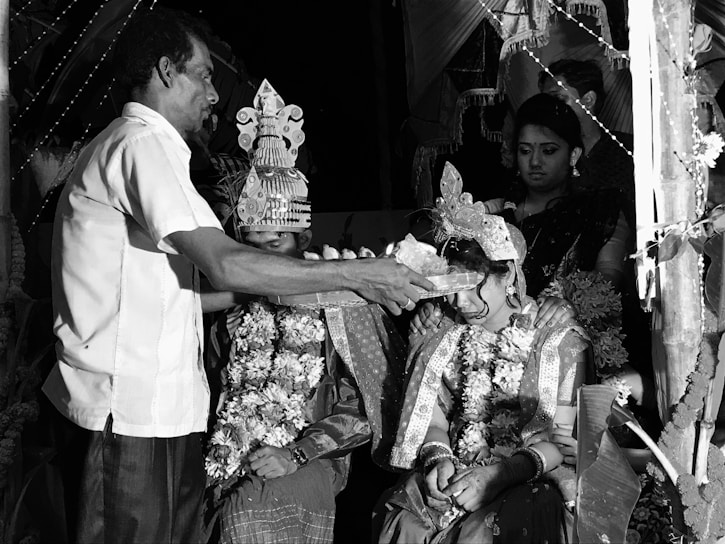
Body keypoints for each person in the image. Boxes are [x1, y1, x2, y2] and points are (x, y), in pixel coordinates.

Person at [41, 8, 433, 544]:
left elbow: (188, 295)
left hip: (156, 415)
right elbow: (225, 263)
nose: (213, 94)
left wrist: (343, 285)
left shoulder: (150, 152)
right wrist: (364, 273)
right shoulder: (140, 143)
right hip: (127, 413)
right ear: (164, 71)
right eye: (203, 75)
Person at [203, 80, 408, 543]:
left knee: (247, 514)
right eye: (252, 247)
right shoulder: (235, 313)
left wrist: (295, 453)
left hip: (307, 460)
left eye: (275, 242)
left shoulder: (340, 304)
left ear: (303, 240)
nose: (266, 260)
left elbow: (369, 410)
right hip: (231, 453)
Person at [374, 162, 593, 543]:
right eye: (450, 287)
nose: (460, 302)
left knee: (485, 532)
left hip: (528, 474)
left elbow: (562, 439)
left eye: (472, 285)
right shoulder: (442, 335)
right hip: (459, 468)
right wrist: (439, 459)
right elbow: (434, 417)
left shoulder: (557, 340)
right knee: (405, 518)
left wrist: (499, 475)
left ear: (507, 274)